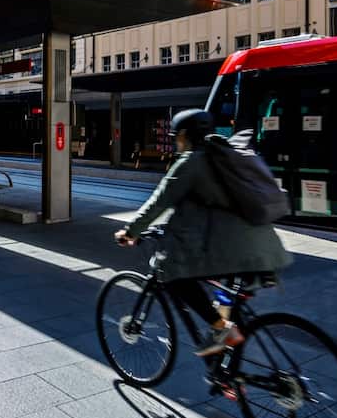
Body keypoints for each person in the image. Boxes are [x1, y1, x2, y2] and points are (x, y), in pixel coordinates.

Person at [115, 109, 292, 356]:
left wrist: (130, 231)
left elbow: (159, 202)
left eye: (176, 136)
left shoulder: (191, 162)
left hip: (238, 250)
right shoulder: (223, 155)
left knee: (173, 276)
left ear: (185, 135)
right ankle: (231, 373)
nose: (175, 141)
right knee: (227, 300)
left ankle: (222, 330)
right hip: (262, 247)